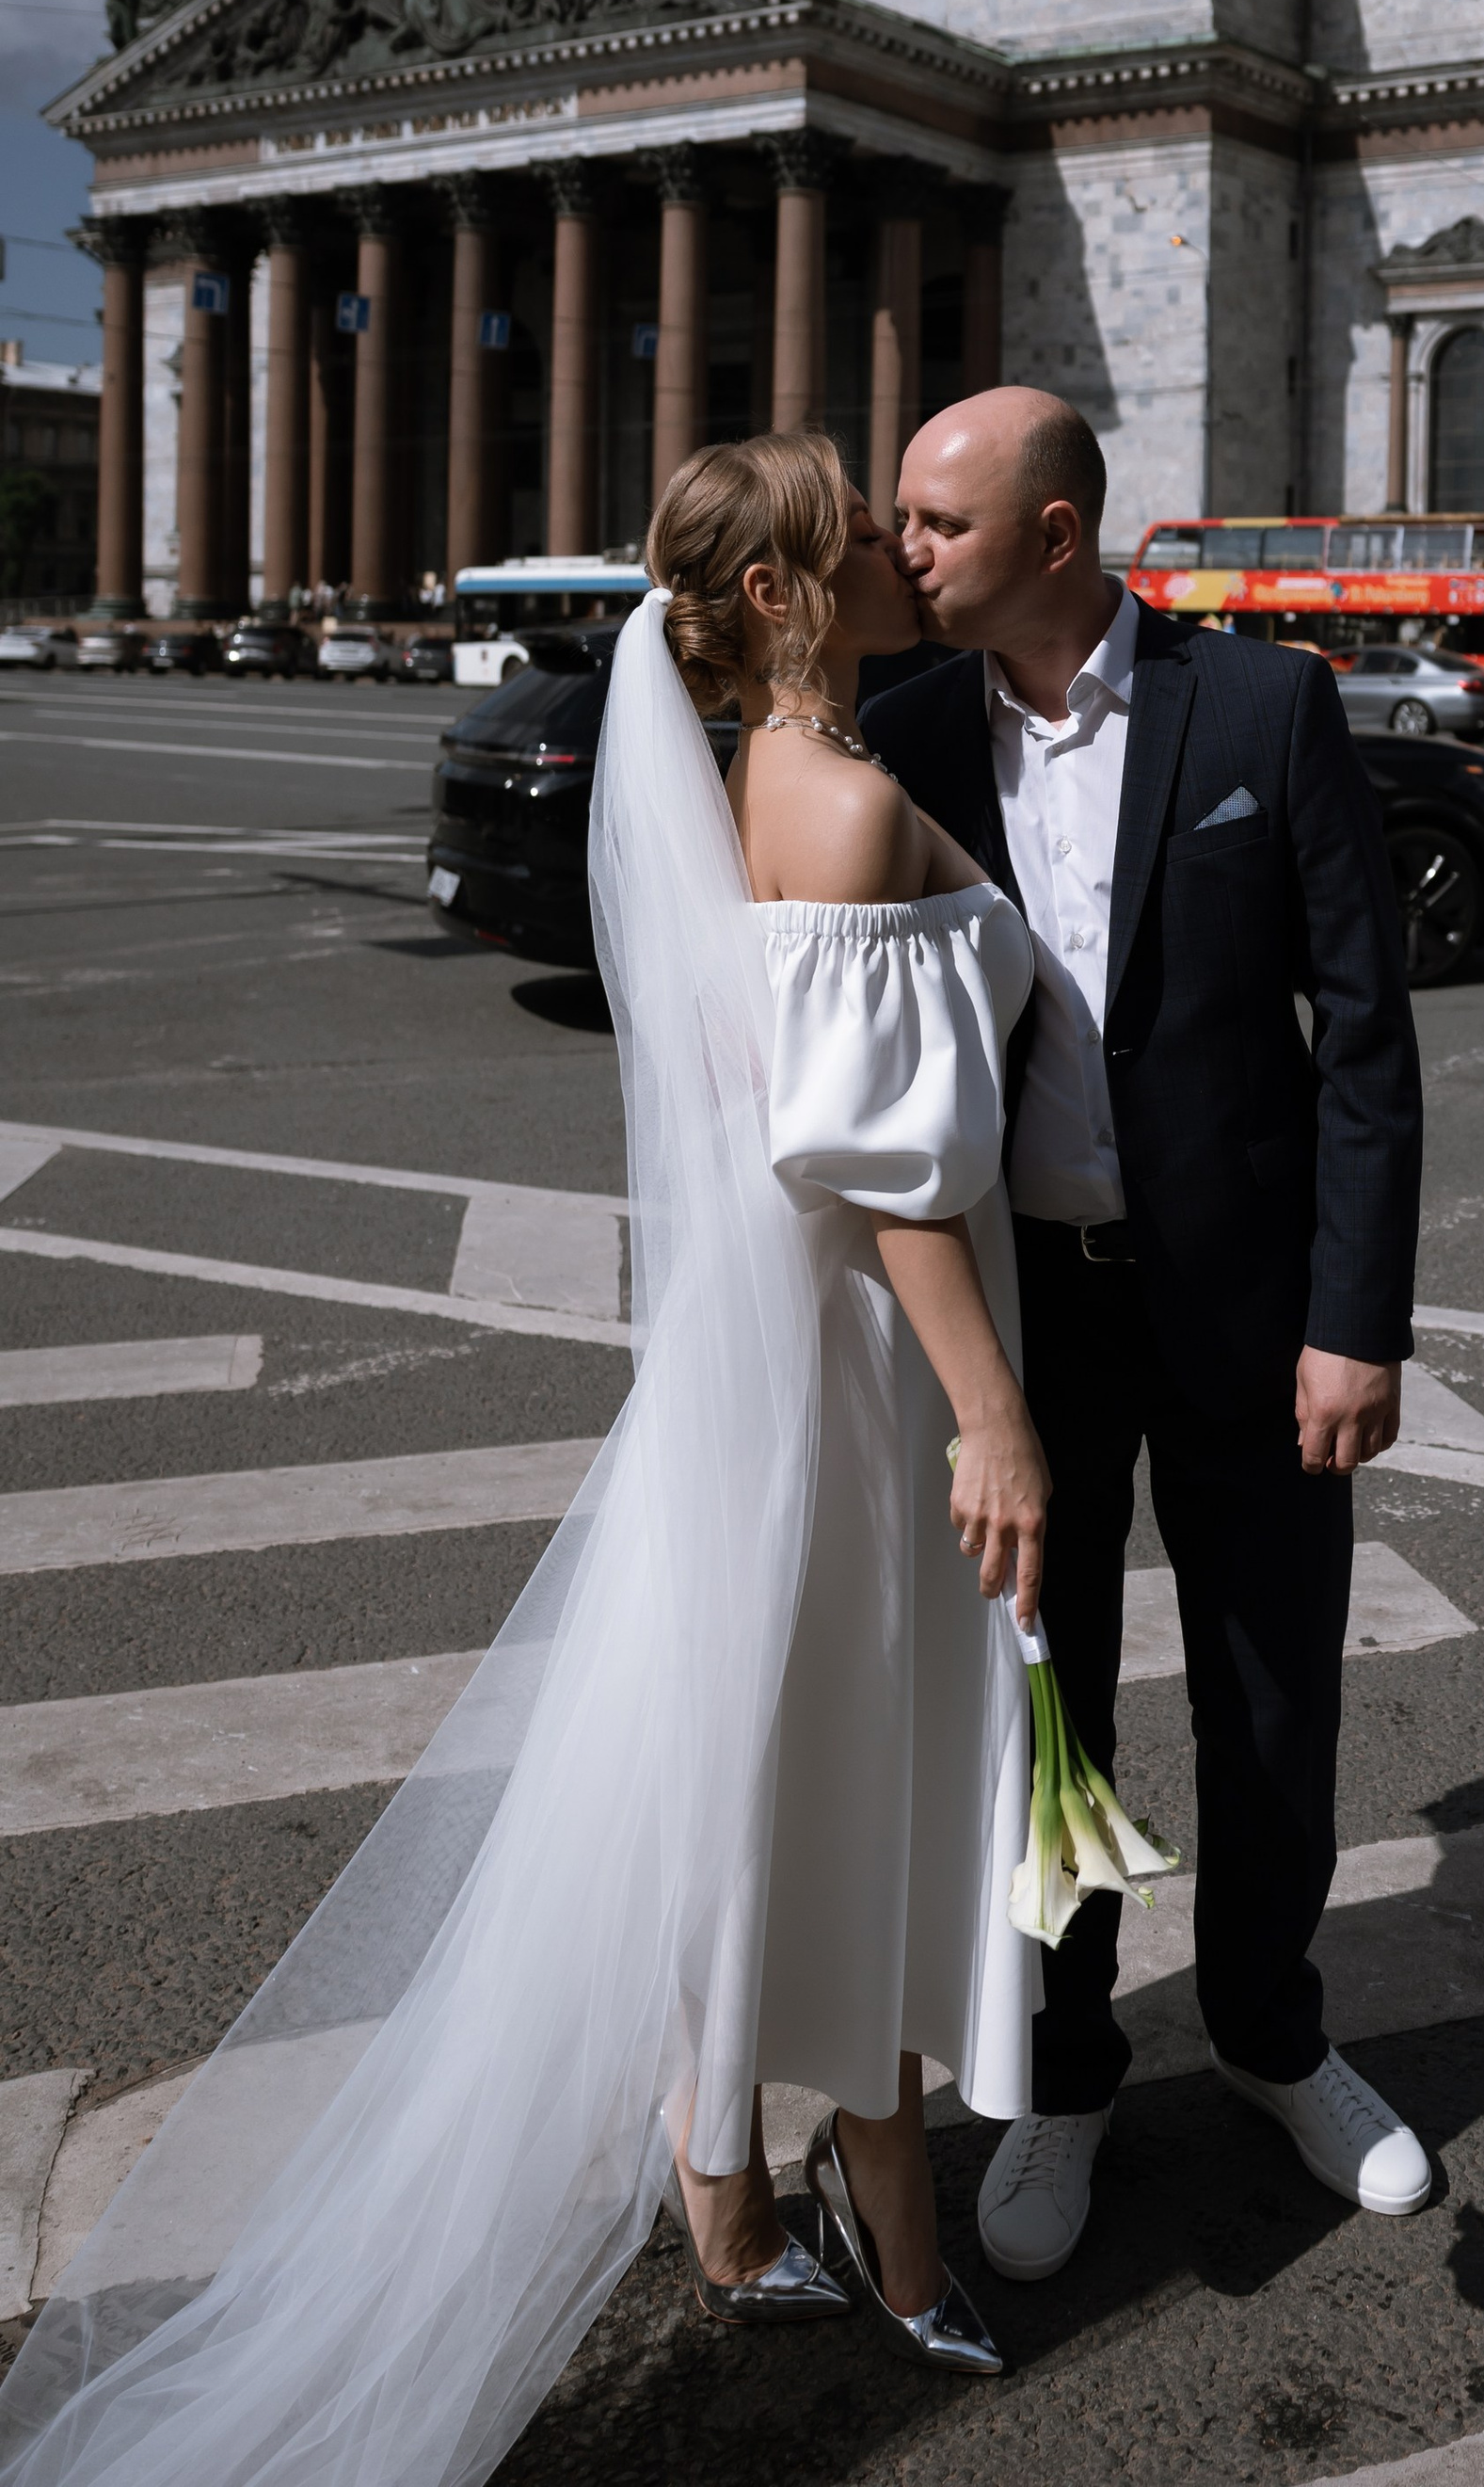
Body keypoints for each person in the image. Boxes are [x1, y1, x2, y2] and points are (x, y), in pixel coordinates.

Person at [0, 433, 1046, 2481]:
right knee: (847, 1772)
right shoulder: (829, 800)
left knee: (763, 1763)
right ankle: (892, 2242)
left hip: (785, 1367)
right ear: (774, 601)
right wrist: (993, 1406)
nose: (892, 556)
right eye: (858, 536)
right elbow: (878, 1164)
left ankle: (729, 2198)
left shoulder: (756, 786)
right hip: (861, 1371)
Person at [870, 388, 1430, 2286]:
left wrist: (1354, 1325)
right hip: (1027, 1330)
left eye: (938, 521)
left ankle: (1277, 2038)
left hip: (1252, 1315)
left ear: (1053, 532)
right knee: (1047, 1717)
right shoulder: (902, 737)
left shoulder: (1262, 711)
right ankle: (1067, 2072)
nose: (906, 550)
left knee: (1272, 1693)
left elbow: (1361, 1034)